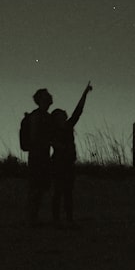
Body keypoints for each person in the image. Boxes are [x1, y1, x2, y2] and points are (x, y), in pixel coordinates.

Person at [50, 82, 92, 226]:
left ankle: (68, 218)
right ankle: (57, 219)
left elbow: (78, 111)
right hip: (58, 164)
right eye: (61, 115)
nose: (64, 116)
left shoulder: (68, 126)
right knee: (58, 192)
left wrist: (84, 94)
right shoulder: (54, 131)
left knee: (67, 192)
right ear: (56, 119)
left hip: (68, 164)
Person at [24, 88, 53, 226]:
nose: (50, 97)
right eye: (47, 96)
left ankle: (33, 218)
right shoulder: (37, 116)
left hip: (42, 156)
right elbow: (34, 137)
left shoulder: (45, 116)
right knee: (36, 188)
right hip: (38, 156)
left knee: (39, 188)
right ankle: (31, 218)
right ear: (42, 99)